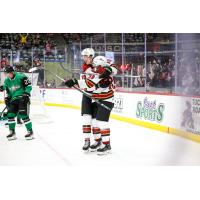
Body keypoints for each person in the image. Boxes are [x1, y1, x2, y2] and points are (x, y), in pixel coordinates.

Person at [65, 55, 117, 154]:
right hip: (99, 100)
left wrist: (74, 81)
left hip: (106, 101)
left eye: (96, 66)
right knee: (94, 123)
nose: (95, 67)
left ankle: (107, 145)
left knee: (102, 123)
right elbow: (91, 83)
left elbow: (90, 83)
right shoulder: (102, 73)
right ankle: (99, 142)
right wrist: (75, 82)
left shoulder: (105, 76)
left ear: (101, 65)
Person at [0, 66, 34, 140]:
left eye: (8, 73)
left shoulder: (21, 76)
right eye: (6, 74)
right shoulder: (7, 80)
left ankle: (30, 132)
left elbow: (28, 86)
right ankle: (12, 133)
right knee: (10, 115)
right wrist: (7, 96)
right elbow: (7, 89)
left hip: (22, 98)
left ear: (12, 72)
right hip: (14, 99)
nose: (7, 75)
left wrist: (26, 93)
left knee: (23, 115)